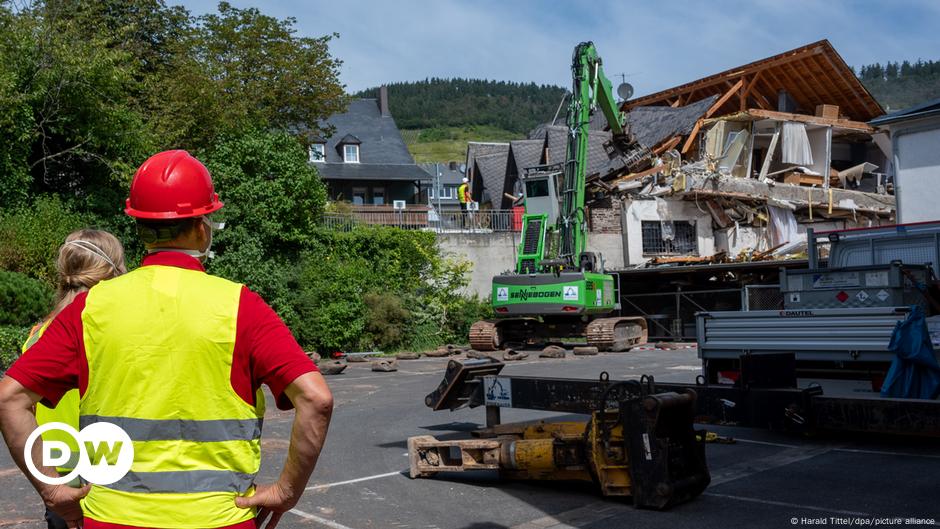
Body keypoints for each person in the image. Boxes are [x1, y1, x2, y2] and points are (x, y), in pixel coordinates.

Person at [0, 150, 334, 529]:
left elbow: (10, 398)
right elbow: (316, 399)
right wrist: (287, 491)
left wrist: (53, 489)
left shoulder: (91, 308)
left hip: (111, 519)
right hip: (219, 519)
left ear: (140, 227)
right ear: (203, 227)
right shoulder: (241, 306)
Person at [23, 230, 127, 529]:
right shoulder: (116, 333)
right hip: (112, 469)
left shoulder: (38, 335)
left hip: (57, 476)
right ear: (114, 272)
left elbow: (23, 410)